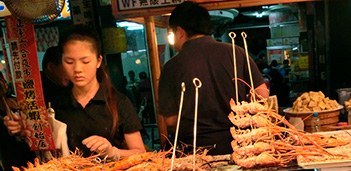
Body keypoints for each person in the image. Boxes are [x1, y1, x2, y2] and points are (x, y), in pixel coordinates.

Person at [4, 25, 146, 159]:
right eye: (69, 62)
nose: (77, 69)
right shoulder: (53, 104)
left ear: (98, 61)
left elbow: (140, 152)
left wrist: (113, 152)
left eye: (85, 61)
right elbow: (42, 144)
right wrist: (23, 129)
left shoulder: (118, 102)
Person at [158, 1, 269, 155]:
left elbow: (170, 120)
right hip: (241, 146)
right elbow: (262, 94)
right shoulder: (235, 52)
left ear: (180, 32)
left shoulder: (171, 67)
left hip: (195, 152)